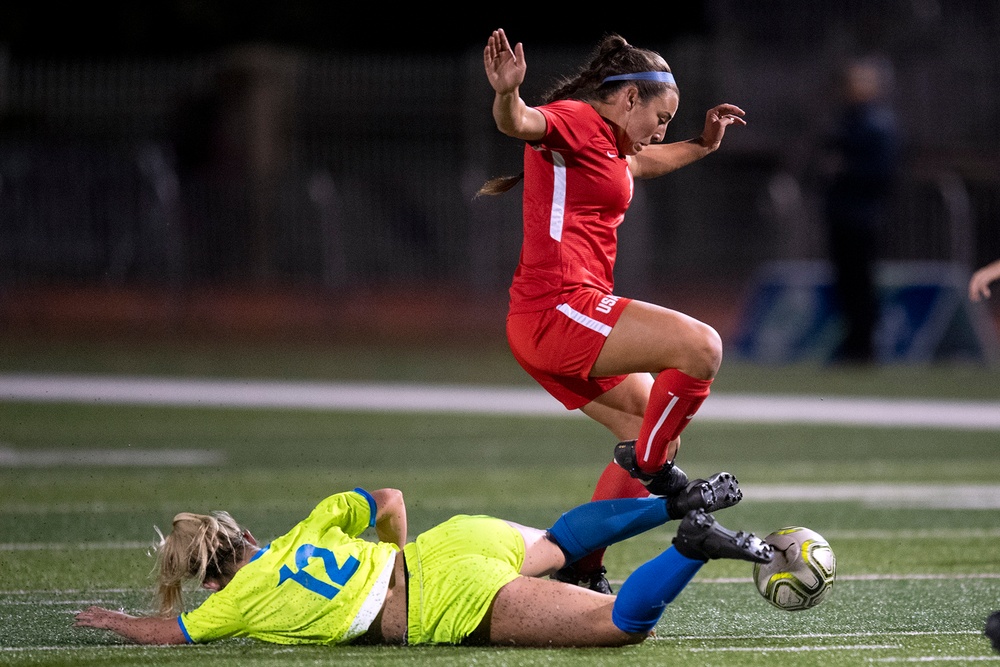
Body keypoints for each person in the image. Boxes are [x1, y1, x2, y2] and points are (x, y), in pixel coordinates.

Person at [478, 29, 749, 591]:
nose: (660, 130)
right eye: (663, 116)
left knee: (654, 426)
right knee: (701, 347)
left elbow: (643, 164)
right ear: (630, 99)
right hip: (556, 310)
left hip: (567, 316)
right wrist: (507, 95)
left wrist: (701, 143)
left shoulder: (611, 144)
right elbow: (521, 123)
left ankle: (584, 566)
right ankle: (649, 467)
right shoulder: (577, 120)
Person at [74, 484, 772, 648]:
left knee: (620, 625)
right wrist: (400, 553)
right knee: (561, 540)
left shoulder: (235, 602)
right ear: (246, 534)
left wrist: (122, 620)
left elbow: (171, 635)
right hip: (450, 543)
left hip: (447, 602)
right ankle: (675, 498)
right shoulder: (307, 525)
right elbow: (389, 497)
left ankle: (691, 544)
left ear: (211, 577)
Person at [819, 56, 901, 364]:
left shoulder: (877, 124)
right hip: (842, 214)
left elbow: (881, 173)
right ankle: (853, 344)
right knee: (846, 283)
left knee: (861, 283)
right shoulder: (847, 120)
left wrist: (843, 170)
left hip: (863, 216)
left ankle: (864, 347)